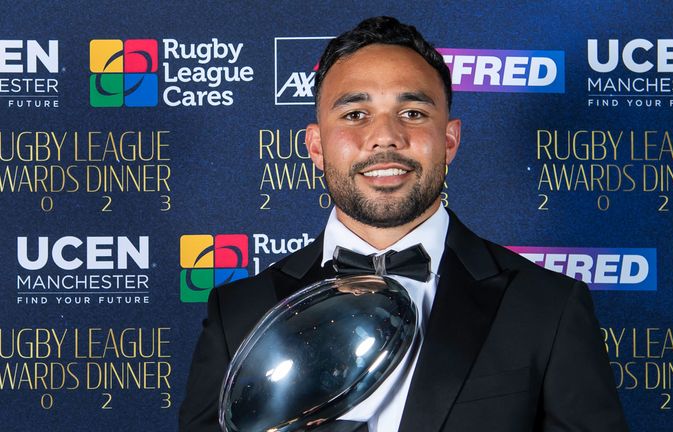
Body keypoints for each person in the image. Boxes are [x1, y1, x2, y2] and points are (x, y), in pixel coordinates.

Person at [179, 16, 629, 432]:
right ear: (316, 147)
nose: (386, 136)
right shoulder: (237, 313)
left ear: (449, 140)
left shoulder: (546, 308)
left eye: (412, 113)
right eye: (355, 115)